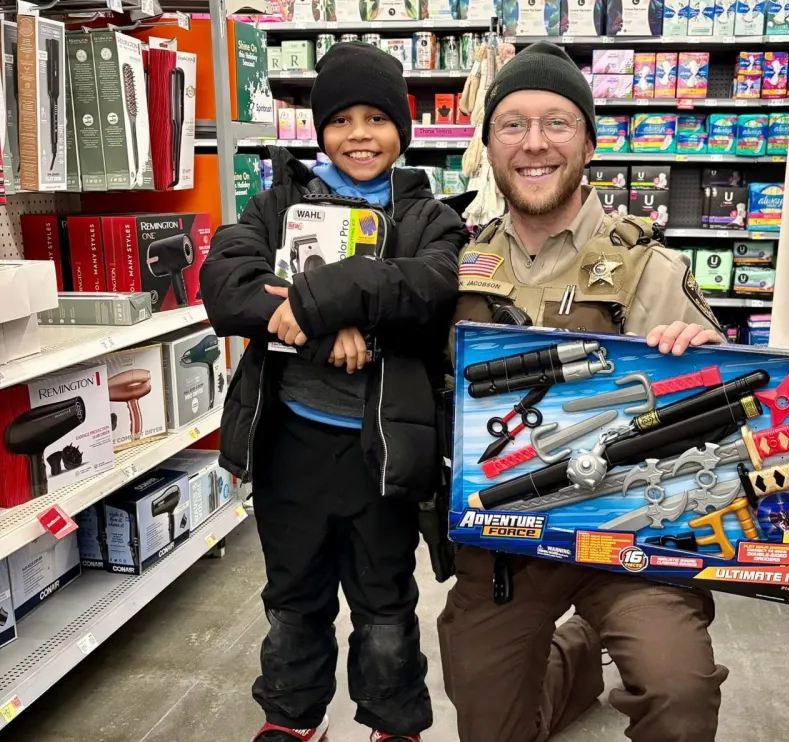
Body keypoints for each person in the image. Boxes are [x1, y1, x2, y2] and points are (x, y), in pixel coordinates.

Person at [438, 42, 728, 742]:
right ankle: (574, 654)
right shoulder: (454, 264)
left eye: (557, 123)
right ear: (488, 146)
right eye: (512, 124)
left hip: (629, 541)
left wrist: (705, 364)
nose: (534, 144)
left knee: (679, 696)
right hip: (506, 543)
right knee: (493, 729)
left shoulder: (647, 265)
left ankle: (594, 635)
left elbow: (718, 418)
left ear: (590, 142)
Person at [200, 42, 468, 742]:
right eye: (341, 118)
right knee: (293, 597)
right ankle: (290, 718)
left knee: (384, 603)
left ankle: (394, 721)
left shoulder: (427, 217)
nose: (358, 134)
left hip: (383, 453)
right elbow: (227, 286)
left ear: (401, 131)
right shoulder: (278, 202)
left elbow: (427, 291)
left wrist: (326, 302)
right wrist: (319, 335)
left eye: (376, 119)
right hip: (291, 443)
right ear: (318, 128)